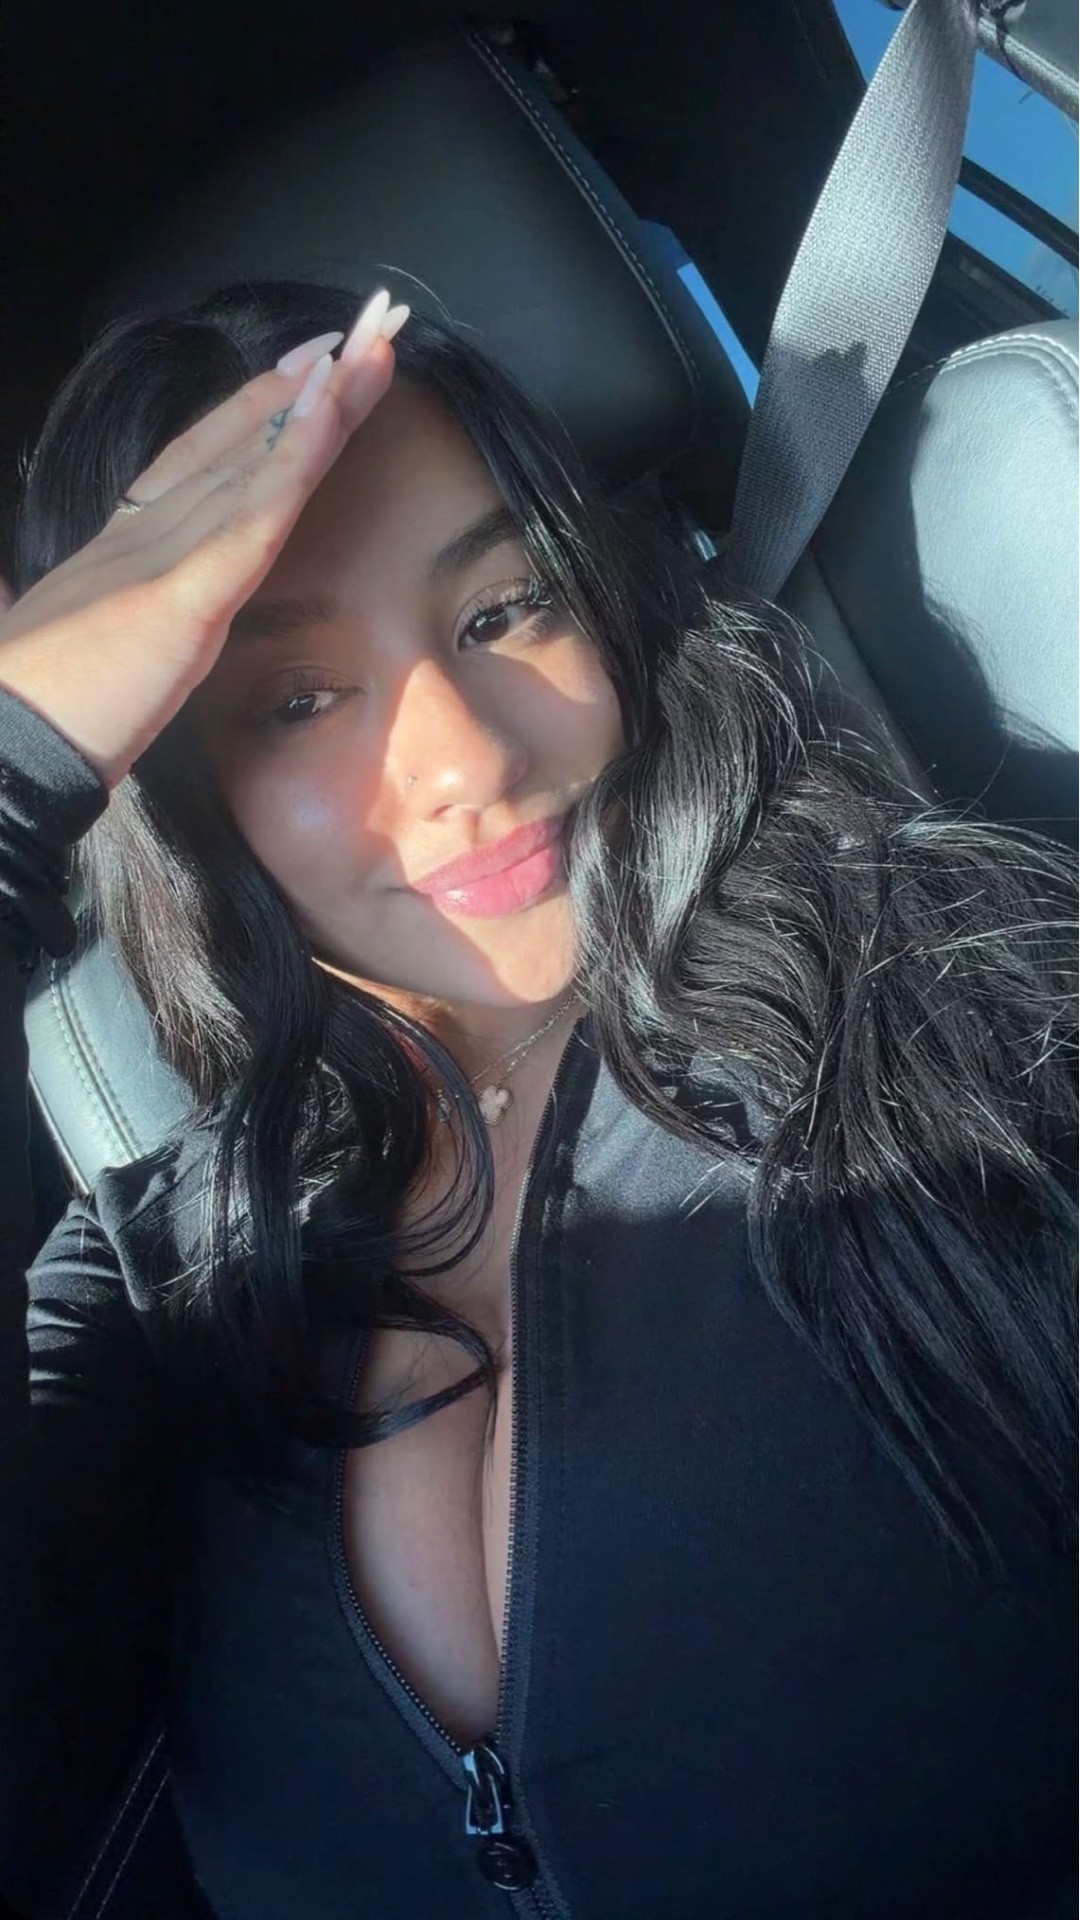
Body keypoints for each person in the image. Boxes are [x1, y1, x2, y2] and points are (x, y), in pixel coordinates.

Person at [0, 277, 1075, 1920]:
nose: (470, 761)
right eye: (296, 701)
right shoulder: (165, 1270)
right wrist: (17, 758)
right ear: (182, 797)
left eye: (503, 609)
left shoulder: (948, 994)